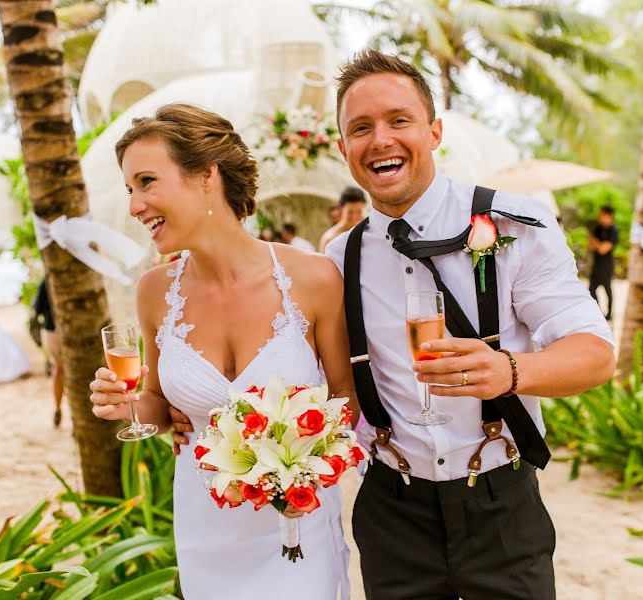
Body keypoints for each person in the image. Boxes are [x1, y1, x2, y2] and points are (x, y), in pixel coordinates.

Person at [169, 50, 615, 599]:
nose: (379, 139)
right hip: (391, 512)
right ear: (343, 148)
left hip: (501, 506)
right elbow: (290, 374)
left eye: (398, 120)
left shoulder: (513, 225)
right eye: (361, 128)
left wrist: (510, 371)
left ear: (434, 130)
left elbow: (596, 354)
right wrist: (185, 401)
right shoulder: (336, 262)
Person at [87, 104, 358, 600]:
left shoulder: (314, 278)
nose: (134, 205)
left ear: (206, 175)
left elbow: (345, 398)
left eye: (147, 181)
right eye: (130, 189)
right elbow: (155, 402)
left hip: (295, 523)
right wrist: (124, 403)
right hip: (206, 529)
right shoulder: (153, 292)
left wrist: (309, 471)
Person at [33, 278, 63, 427]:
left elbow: (37, 308)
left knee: (58, 370)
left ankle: (58, 408)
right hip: (70, 330)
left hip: (51, 331)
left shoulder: (47, 279)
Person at [588, 205, 618, 320]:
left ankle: (609, 314)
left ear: (608, 215)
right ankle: (598, 313)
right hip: (596, 265)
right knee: (591, 291)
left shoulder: (613, 230)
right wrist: (597, 244)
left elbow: (603, 249)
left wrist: (596, 243)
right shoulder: (597, 228)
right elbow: (590, 244)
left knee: (608, 291)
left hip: (606, 266)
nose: (599, 217)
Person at [319, 186, 368, 252]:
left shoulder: (369, 232)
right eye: (350, 212)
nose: (355, 216)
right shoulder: (330, 238)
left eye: (359, 212)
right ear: (341, 210)